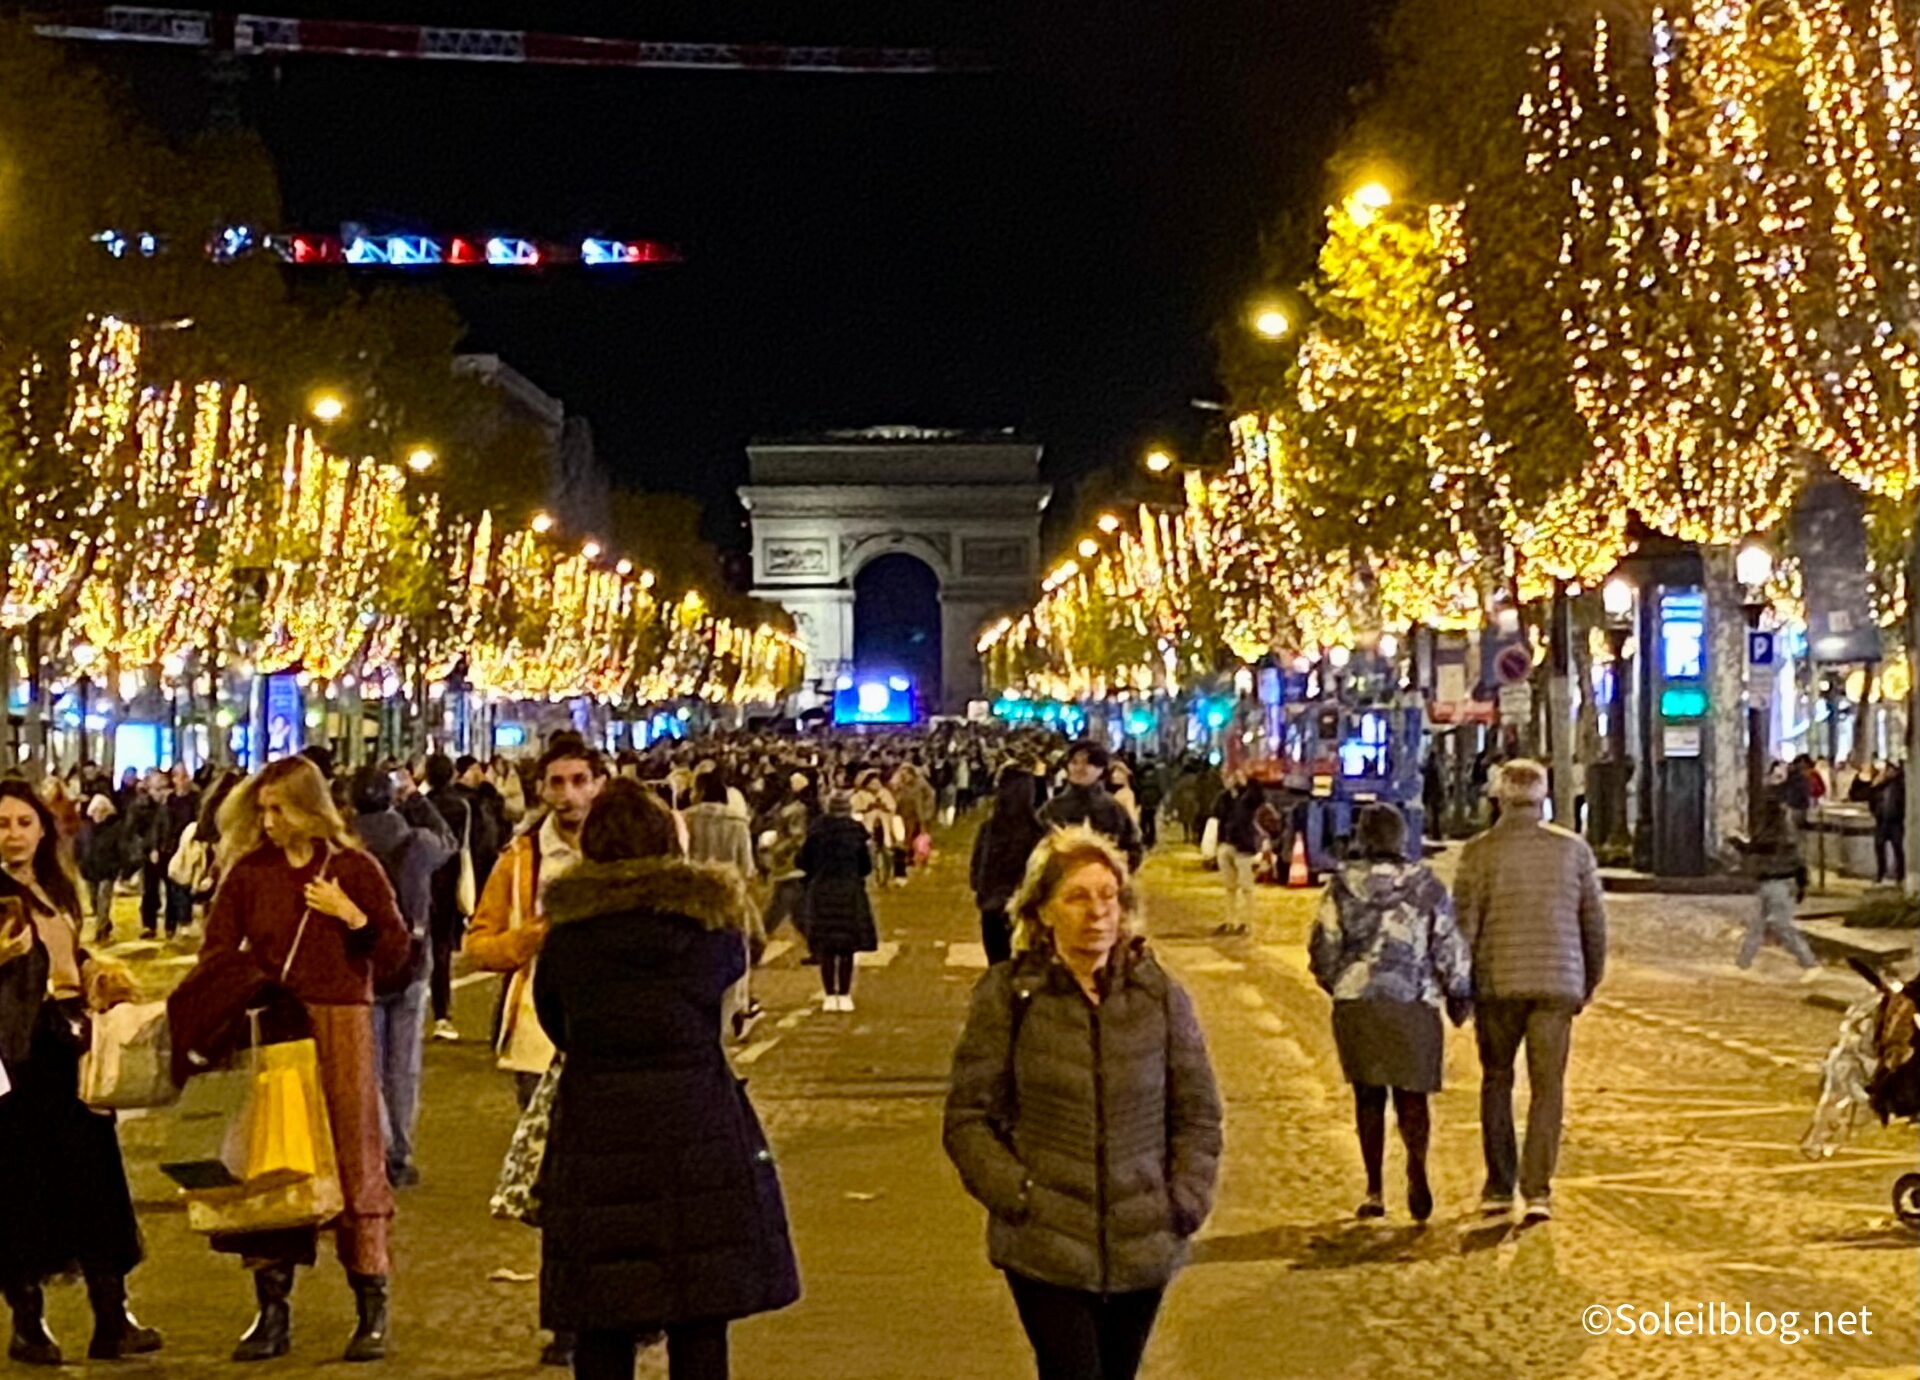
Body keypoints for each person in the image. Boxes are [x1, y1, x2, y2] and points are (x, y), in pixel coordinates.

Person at [534, 782, 800, 1380]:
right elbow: (730, 994)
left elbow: (555, 1018)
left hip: (597, 1122)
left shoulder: (569, 937)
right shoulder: (709, 927)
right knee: (698, 1309)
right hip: (696, 1118)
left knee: (602, 1307)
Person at [944, 826, 1221, 1380]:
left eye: (1108, 896)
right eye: (1077, 897)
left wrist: (1183, 1199)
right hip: (1045, 1242)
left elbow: (1197, 1110)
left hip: (1144, 1238)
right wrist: (1018, 1194)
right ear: (1043, 911)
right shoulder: (1010, 996)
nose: (1098, 912)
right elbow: (968, 1117)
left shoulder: (1158, 994)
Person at [192, 757, 411, 1362]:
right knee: (271, 1165)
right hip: (273, 1029)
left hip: (341, 1023)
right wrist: (242, 987)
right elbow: (215, 950)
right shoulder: (248, 873)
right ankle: (271, 1310)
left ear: (311, 808)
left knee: (355, 1157)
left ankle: (371, 1304)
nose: (268, 821)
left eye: (279, 808)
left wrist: (352, 917)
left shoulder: (355, 869)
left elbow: (395, 956)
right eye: (261, 808)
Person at [0, 780, 159, 1366]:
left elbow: (68, 955)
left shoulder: (53, 887)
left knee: (95, 1179)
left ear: (43, 827)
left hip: (69, 1046)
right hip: (13, 1057)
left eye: (22, 822)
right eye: (1, 824)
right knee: (19, 1185)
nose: (12, 834)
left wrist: (95, 973)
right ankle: (28, 1324)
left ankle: (112, 1319)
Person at [463, 737, 605, 1369]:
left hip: (610, 1032)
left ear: (600, 783)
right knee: (554, 1186)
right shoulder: (521, 858)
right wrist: (524, 941)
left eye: (580, 780)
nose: (569, 794)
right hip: (537, 1035)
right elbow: (480, 944)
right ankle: (568, 1316)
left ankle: (625, 1305)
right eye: (557, 782)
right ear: (542, 789)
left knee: (613, 1182)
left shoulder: (623, 845)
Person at [1453, 759, 1607, 1225]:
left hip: (1498, 983)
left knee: (1497, 1080)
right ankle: (1538, 1189)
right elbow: (1593, 924)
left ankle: (1500, 1185)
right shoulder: (1573, 851)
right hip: (1557, 984)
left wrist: (1459, 990)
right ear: (1544, 798)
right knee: (1548, 1089)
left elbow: (1464, 926)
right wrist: (1588, 980)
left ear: (1498, 797)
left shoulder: (1479, 852)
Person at [1309, 805, 1471, 1221]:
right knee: (1412, 1097)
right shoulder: (1427, 887)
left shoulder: (1342, 886)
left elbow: (1323, 946)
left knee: (1368, 1097)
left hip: (1358, 1005)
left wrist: (1340, 983)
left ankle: (1375, 1189)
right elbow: (1448, 947)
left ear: (1363, 836)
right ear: (1402, 838)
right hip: (1413, 1004)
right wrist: (1458, 993)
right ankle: (1416, 1167)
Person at [349, 766, 456, 1188]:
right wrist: (417, 800)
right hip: (412, 964)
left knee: (369, 1066)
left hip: (363, 964)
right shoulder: (416, 842)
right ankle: (401, 1151)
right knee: (404, 1066)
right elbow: (448, 841)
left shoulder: (347, 847)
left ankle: (378, 1146)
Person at [684, 770, 763, 1041]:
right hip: (731, 898)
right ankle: (737, 1011)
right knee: (737, 957)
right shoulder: (737, 822)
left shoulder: (685, 820)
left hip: (692, 900)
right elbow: (747, 867)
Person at [798, 791, 878, 1012]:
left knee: (826, 947)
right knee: (846, 947)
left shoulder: (816, 831)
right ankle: (844, 994)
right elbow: (866, 867)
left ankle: (828, 996)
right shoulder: (856, 834)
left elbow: (803, 861)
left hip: (822, 891)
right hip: (850, 892)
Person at [970, 766, 1047, 967]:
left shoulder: (990, 828)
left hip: (994, 910)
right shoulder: (1038, 832)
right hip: (1026, 912)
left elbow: (978, 868)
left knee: (998, 966)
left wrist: (983, 893)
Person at [1733, 800, 1820, 978]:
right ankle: (1743, 964)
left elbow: (1763, 848)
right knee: (1756, 925)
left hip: (1780, 881)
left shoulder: (1780, 832)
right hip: (1771, 881)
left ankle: (1810, 963)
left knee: (1782, 926)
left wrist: (1740, 845)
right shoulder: (1778, 830)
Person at [421, 755, 472, 1043]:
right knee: (441, 948)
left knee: (418, 946)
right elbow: (466, 845)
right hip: (449, 879)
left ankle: (417, 1009)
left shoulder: (420, 806)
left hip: (421, 879)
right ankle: (442, 1014)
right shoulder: (461, 806)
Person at [1040, 740, 1144, 873]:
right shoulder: (1053, 808)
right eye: (1074, 762)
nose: (1079, 768)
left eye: (1087, 763)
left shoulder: (1113, 809)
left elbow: (1133, 848)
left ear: (1101, 769)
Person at [1211, 774, 1267, 925]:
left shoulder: (1249, 797)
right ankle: (1231, 920)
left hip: (1244, 847)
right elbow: (1217, 817)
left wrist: (1248, 782)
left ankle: (1247, 922)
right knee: (1229, 887)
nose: (1229, 780)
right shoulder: (1224, 799)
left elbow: (1259, 797)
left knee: (1246, 888)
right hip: (1227, 845)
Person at [78, 793, 128, 941]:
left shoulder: (115, 829)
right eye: (96, 811)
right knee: (94, 903)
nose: (99, 814)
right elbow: (79, 848)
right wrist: (80, 863)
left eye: (102, 811)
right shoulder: (85, 829)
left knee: (103, 900)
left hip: (107, 870)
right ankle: (105, 923)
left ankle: (100, 931)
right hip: (89, 870)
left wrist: (119, 868)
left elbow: (120, 849)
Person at [1870, 762, 1905, 885]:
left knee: (1897, 847)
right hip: (1882, 821)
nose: (1889, 772)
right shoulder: (1881, 785)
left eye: (1891, 770)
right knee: (1879, 847)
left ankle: (1900, 874)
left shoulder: (1900, 786)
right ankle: (1881, 873)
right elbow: (1872, 799)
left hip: (1895, 821)